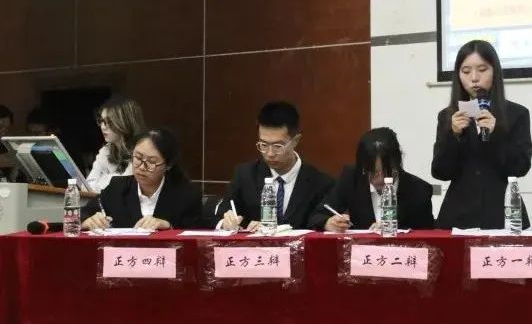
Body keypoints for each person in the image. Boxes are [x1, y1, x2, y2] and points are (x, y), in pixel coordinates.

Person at [431, 40, 532, 229]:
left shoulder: (516, 114)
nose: (474, 78)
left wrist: (497, 135)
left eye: (482, 70)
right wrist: (453, 136)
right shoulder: (448, 116)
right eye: (466, 71)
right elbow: (440, 172)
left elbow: (520, 168)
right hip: (457, 218)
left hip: (502, 215)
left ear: (495, 72)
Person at [214, 101, 334, 231]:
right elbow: (221, 213)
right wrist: (226, 223)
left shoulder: (321, 183)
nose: (270, 154)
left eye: (278, 146)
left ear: (296, 141)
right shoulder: (245, 176)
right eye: (264, 145)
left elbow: (321, 222)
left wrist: (327, 223)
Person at [309, 127, 434, 232]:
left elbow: (427, 238)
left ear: (398, 163)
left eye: (388, 172)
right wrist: (328, 223)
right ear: (362, 167)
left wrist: (394, 230)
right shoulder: (351, 178)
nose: (381, 179)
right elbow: (316, 216)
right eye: (374, 173)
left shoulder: (419, 190)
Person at [82, 128, 201, 230]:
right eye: (138, 158)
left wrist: (169, 227)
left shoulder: (186, 195)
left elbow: (196, 234)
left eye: (151, 162)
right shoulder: (117, 188)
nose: (142, 167)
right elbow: (83, 215)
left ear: (168, 165)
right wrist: (87, 221)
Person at [86, 95, 147, 192]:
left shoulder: (144, 150)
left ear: (125, 122)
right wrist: (115, 180)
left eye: (109, 122)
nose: (103, 127)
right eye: (102, 121)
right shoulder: (106, 150)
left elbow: (124, 186)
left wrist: (104, 178)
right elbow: (87, 186)